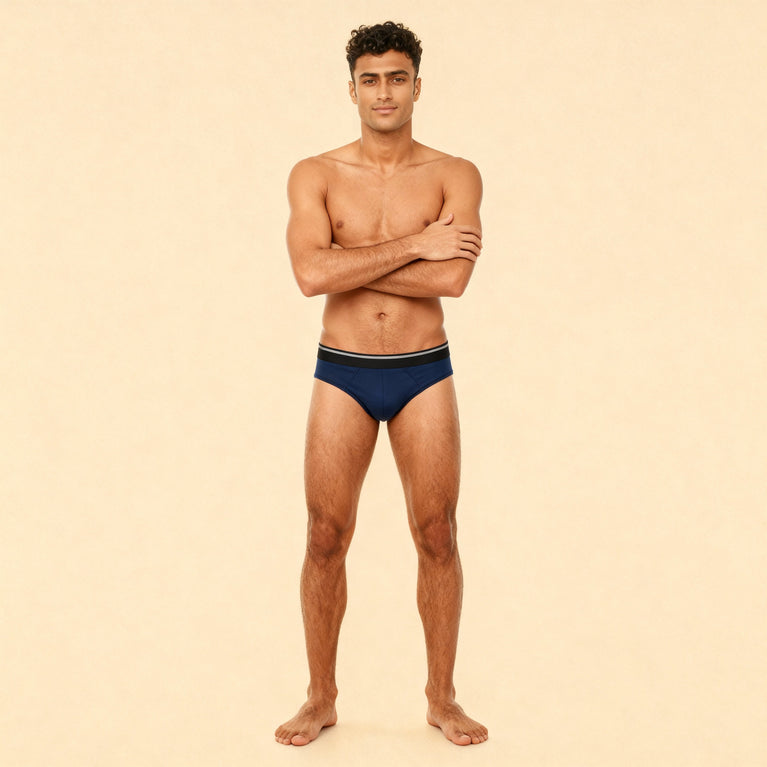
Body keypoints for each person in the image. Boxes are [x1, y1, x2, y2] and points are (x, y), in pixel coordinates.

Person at [275, 21, 487, 747]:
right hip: (343, 371)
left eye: (397, 77)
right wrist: (416, 244)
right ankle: (320, 697)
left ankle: (442, 697)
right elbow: (310, 275)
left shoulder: (455, 174)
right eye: (370, 79)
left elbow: (452, 280)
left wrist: (351, 259)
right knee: (324, 535)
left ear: (417, 86)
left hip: (423, 371)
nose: (384, 92)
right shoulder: (315, 173)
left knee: (437, 533)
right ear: (352, 89)